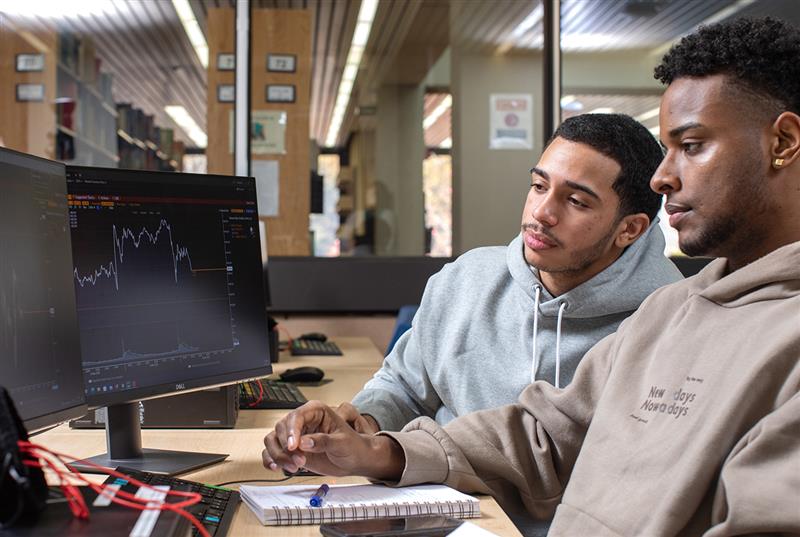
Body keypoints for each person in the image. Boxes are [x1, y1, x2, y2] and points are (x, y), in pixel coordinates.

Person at [263, 17, 800, 536]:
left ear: (783, 143)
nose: (664, 177)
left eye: (692, 146)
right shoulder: (675, 311)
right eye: (540, 186)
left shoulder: (691, 312)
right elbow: (543, 436)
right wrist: (377, 449)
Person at [343, 113, 682, 434]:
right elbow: (403, 387)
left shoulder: (669, 325)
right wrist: (362, 423)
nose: (543, 212)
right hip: (441, 487)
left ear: (630, 229)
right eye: (538, 185)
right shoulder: (464, 279)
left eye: (576, 201)